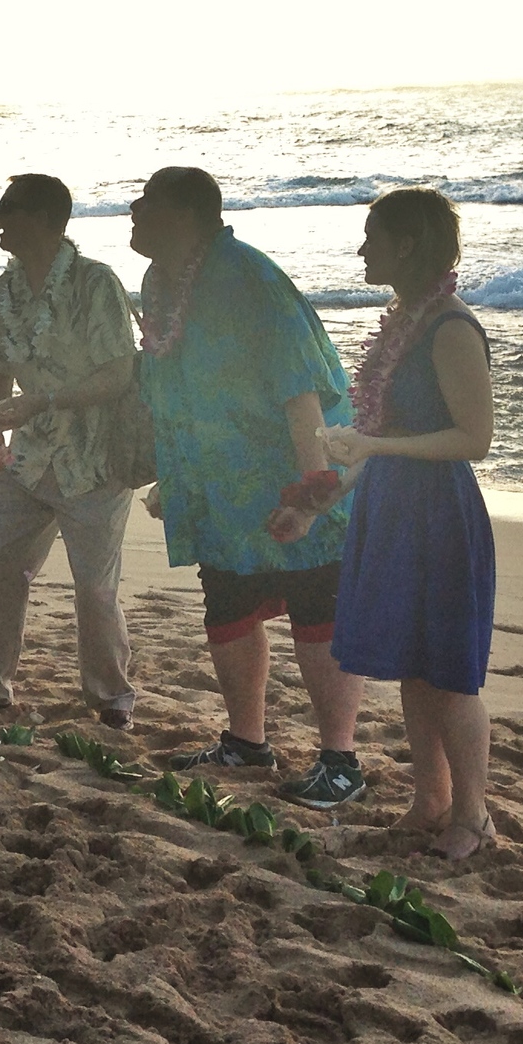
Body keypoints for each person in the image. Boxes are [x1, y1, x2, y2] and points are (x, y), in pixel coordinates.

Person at [129, 166, 364, 784]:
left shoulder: (249, 279)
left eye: (147, 201)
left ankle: (339, 759)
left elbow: (302, 390)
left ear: (184, 215)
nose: (133, 210)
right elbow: (171, 384)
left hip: (289, 469)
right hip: (218, 483)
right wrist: (175, 474)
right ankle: (246, 744)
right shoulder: (160, 281)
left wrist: (312, 494)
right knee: (228, 606)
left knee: (317, 610)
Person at [300, 189, 497, 851]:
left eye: (372, 237)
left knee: (449, 672)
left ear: (406, 245)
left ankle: (474, 815)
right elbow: (381, 433)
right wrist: (329, 493)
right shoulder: (407, 319)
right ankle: (432, 800)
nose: (362, 250)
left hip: (438, 512)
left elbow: (474, 438)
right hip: (391, 505)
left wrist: (376, 446)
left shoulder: (451, 327)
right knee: (415, 665)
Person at [0, 174, 146, 725]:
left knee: (94, 587)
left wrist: (42, 402)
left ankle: (110, 698)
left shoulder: (96, 283)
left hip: (94, 460)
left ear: (43, 218)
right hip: (27, 459)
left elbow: (118, 374)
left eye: (8, 209)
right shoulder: (4, 291)